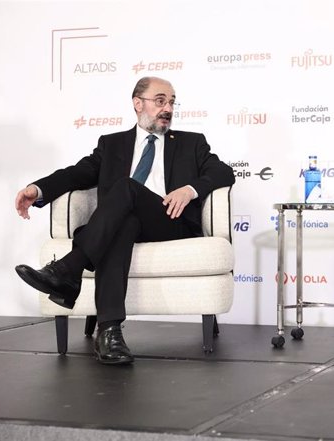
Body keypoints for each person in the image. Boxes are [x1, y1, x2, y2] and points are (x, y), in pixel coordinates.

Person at [14, 76, 235, 365]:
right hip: (121, 223)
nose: (167, 107)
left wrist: (189, 189)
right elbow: (76, 174)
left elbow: (224, 172)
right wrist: (37, 189)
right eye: (160, 100)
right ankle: (110, 333)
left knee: (125, 187)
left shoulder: (191, 143)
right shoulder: (112, 144)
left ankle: (68, 269)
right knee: (123, 223)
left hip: (169, 221)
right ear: (137, 103)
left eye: (171, 102)